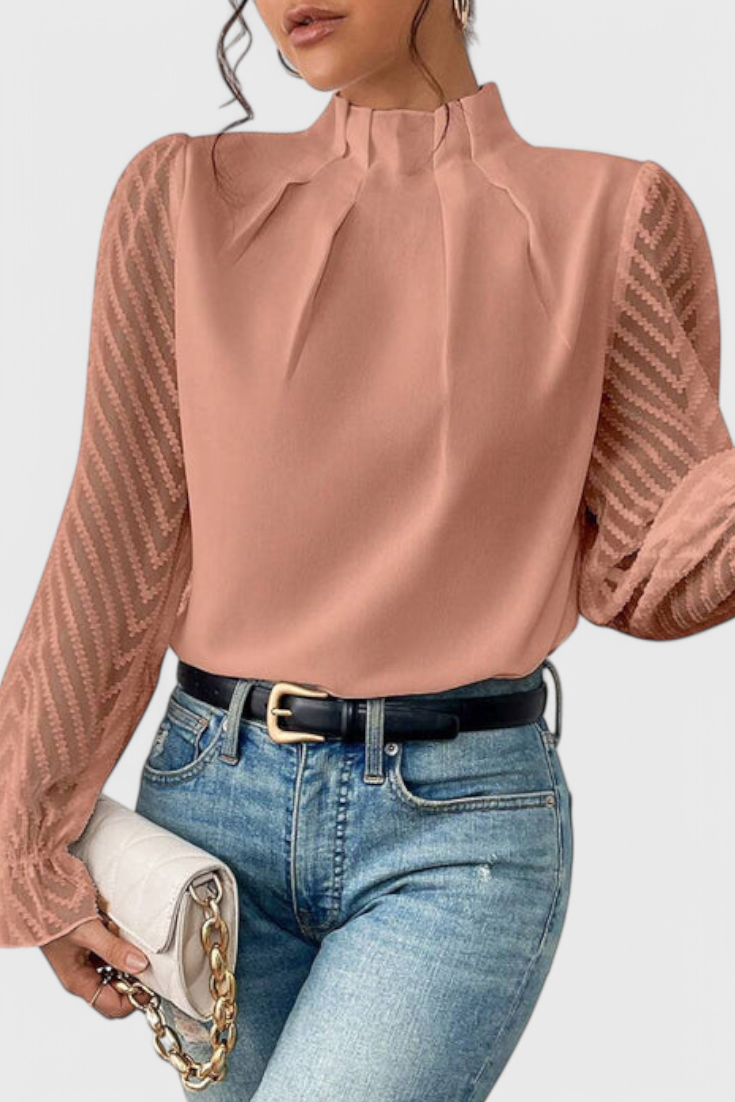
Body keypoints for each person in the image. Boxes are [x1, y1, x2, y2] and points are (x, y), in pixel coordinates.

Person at [1, 1, 734, 1099]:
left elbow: (657, 561)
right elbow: (114, 538)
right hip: (209, 806)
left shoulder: (611, 216)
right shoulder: (183, 198)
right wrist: (24, 844)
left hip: (459, 824)